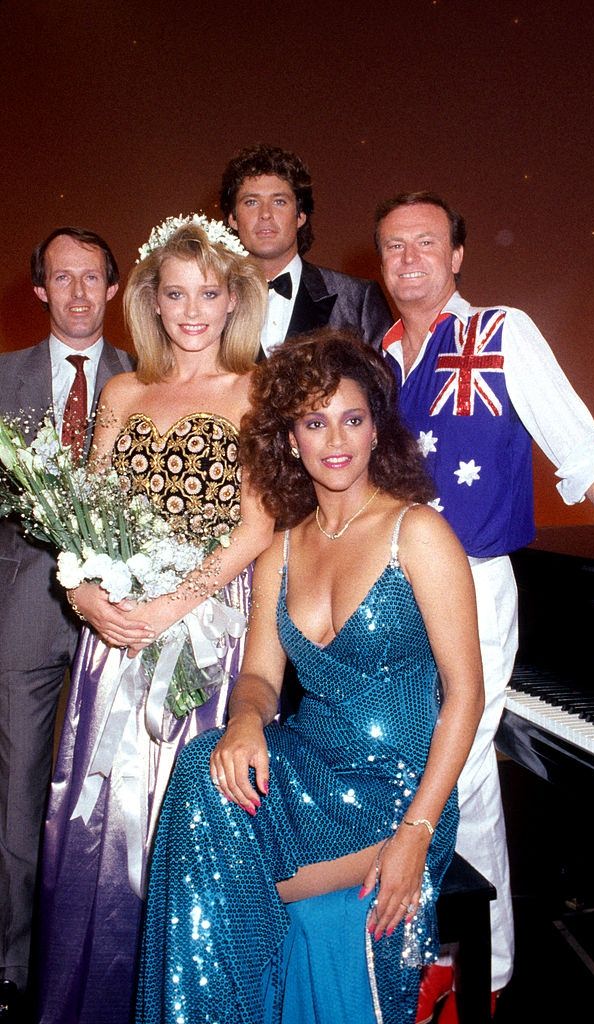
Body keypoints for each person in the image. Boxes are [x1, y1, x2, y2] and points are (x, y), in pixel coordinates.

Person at [374, 190, 594, 1021]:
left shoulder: (500, 333)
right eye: (393, 246)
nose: (409, 259)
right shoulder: (380, 356)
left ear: (458, 256)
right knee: (406, 763)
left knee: (465, 766)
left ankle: (487, 966)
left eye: (426, 243)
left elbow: (577, 446)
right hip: (388, 590)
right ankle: (414, 942)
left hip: (472, 583)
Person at [135, 331, 484, 1024]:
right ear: (290, 439)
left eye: (352, 419)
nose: (336, 439)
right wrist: (242, 721)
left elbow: (466, 693)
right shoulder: (282, 548)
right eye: (314, 421)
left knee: (206, 868)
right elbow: (261, 676)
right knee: (205, 762)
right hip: (311, 767)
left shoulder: (417, 534)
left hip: (397, 794)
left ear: (375, 429)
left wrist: (415, 832)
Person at [36, 217, 274, 1024]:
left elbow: (258, 524)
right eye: (175, 294)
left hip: (207, 638)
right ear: (151, 301)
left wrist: (178, 602)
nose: (192, 310)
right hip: (114, 644)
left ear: (234, 298)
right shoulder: (123, 392)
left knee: (185, 825)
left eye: (209, 292)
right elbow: (88, 514)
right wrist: (82, 594)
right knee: (99, 827)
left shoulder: (255, 391)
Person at [0, 227, 132, 1023]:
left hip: (126, 617)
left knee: (111, 794)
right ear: (41, 290)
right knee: (14, 797)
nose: (79, 293)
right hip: (22, 616)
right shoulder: (2, 379)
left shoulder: (146, 377)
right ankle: (13, 963)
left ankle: (106, 949)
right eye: (63, 278)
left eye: (93, 278)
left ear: (114, 289)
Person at [220, 143, 392, 354]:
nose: (265, 214)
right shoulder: (211, 299)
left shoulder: (357, 299)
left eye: (279, 202)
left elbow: (383, 383)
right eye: (251, 202)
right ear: (232, 218)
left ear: (301, 215)